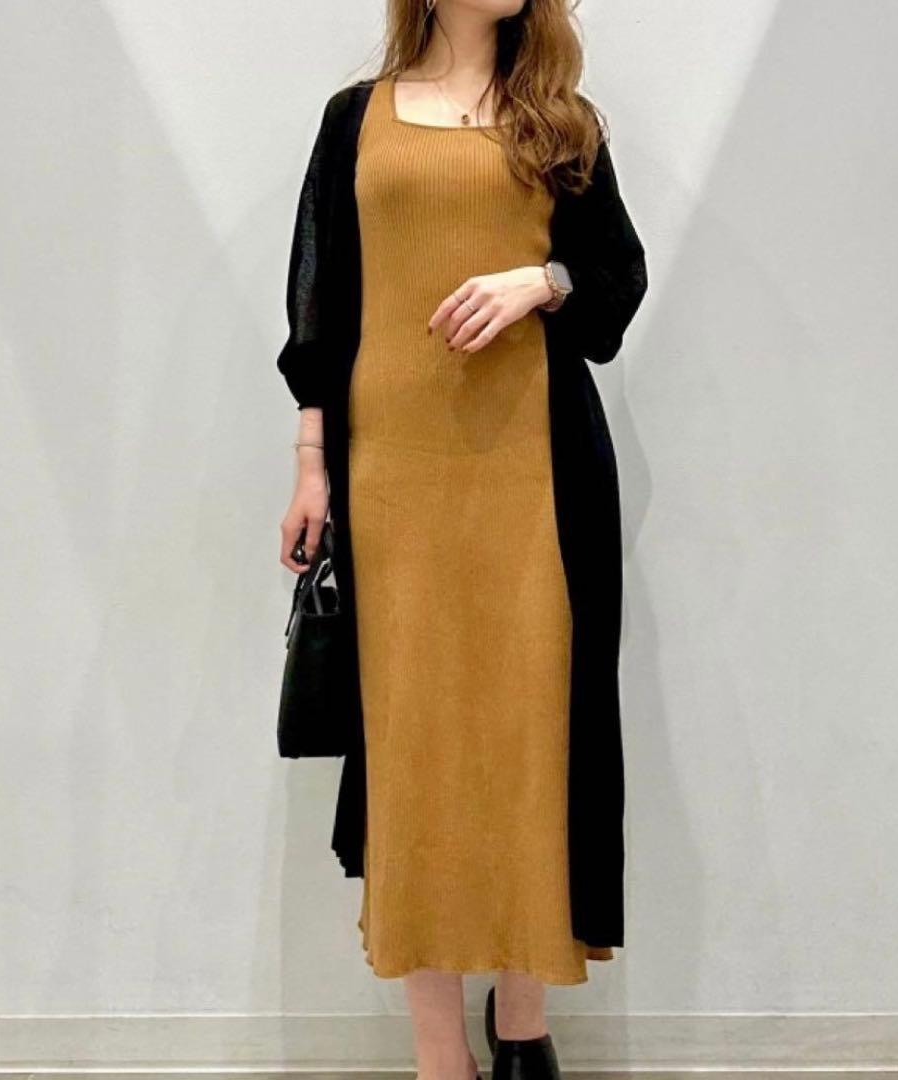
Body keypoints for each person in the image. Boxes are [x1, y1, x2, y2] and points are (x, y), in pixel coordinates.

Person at [276, 2, 648, 1078]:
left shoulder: (560, 120)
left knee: (535, 736)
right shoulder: (355, 120)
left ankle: (523, 1029)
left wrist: (542, 280)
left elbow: (615, 282)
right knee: (413, 753)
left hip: (536, 477)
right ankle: (440, 1057)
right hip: (394, 479)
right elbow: (320, 307)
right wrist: (312, 464)